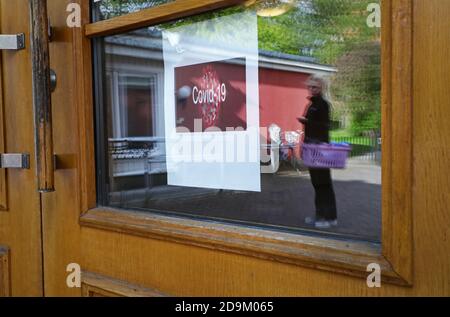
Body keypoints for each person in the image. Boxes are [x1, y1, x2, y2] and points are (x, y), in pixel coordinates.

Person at [298, 75, 337, 229]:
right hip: (311, 147)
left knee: (323, 184)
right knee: (317, 184)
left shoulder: (323, 105)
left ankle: (327, 218)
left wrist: (308, 122)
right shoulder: (312, 104)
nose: (312, 89)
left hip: (319, 149)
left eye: (315, 87)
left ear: (322, 88)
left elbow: (324, 127)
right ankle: (322, 216)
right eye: (310, 87)